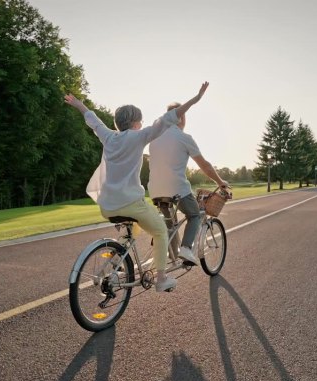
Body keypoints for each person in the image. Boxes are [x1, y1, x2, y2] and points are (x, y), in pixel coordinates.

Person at [64, 82, 209, 292]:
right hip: (131, 202)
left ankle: (118, 262)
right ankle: (161, 280)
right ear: (134, 123)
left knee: (132, 229)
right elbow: (170, 118)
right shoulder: (139, 137)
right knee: (160, 230)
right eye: (140, 121)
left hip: (107, 206)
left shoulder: (109, 137)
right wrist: (195, 99)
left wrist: (79, 104)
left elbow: (93, 120)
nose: (142, 124)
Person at [148, 100, 229, 266]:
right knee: (195, 214)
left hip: (155, 190)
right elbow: (205, 166)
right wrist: (220, 182)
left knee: (169, 224)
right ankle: (186, 248)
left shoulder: (154, 138)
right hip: (177, 188)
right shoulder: (184, 137)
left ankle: (169, 259)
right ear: (181, 117)